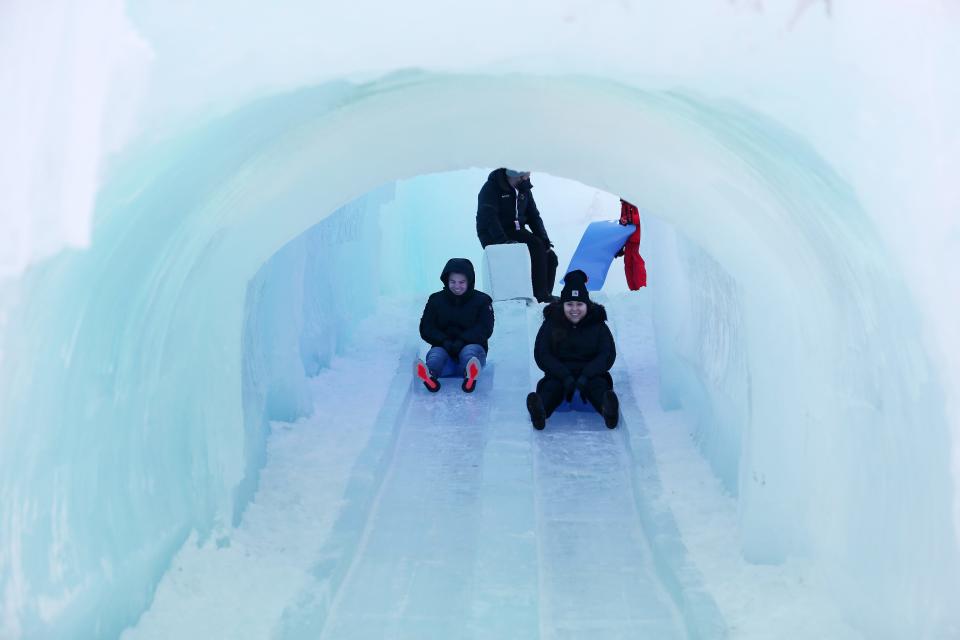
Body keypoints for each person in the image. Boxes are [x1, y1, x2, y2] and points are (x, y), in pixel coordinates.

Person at [526, 270, 619, 429]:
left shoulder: (597, 324)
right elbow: (543, 353)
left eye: (579, 304)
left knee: (598, 387)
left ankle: (608, 410)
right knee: (551, 388)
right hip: (559, 373)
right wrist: (564, 376)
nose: (574, 309)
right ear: (562, 305)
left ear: (587, 305)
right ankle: (540, 411)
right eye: (569, 304)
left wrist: (586, 375)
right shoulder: (551, 324)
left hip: (592, 374)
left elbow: (606, 353)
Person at [476, 168, 559, 303]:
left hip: (516, 230)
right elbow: (489, 218)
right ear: (513, 176)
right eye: (523, 177)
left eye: (527, 176)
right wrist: (503, 242)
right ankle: (540, 295)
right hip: (493, 233)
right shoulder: (491, 188)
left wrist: (544, 239)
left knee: (549, 255)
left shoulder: (523, 189)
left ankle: (545, 296)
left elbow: (533, 216)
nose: (526, 179)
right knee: (535, 246)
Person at [416, 258, 495, 393]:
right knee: (436, 354)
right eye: (452, 282)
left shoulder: (482, 300)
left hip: (472, 349)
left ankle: (470, 375)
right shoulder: (435, 300)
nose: (457, 286)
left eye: (461, 282)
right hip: (445, 356)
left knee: (468, 352)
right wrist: (443, 341)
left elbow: (485, 328)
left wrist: (462, 340)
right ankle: (430, 374)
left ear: (469, 281)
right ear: (446, 280)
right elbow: (426, 327)